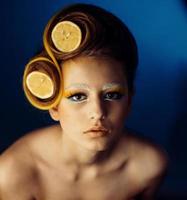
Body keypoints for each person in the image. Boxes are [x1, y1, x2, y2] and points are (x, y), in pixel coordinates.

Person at [0, 3, 168, 200]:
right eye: (77, 96)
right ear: (53, 106)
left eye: (112, 95)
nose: (98, 112)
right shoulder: (14, 173)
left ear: (130, 100)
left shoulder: (148, 167)